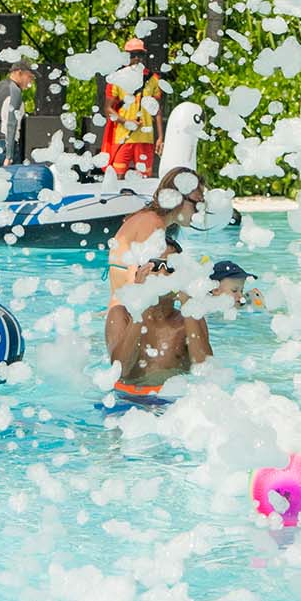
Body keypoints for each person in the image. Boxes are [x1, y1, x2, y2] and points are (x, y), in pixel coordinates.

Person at [102, 169, 212, 410]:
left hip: (133, 306)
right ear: (178, 198)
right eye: (197, 203)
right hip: (132, 310)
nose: (198, 211)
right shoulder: (153, 227)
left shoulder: (149, 219)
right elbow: (143, 277)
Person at [105, 46, 160, 179]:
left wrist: (160, 138)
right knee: (117, 177)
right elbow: (107, 109)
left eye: (140, 55)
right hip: (123, 136)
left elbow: (157, 109)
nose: (137, 59)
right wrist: (126, 122)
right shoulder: (116, 78)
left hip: (145, 137)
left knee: (144, 178)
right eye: (133, 55)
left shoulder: (152, 78)